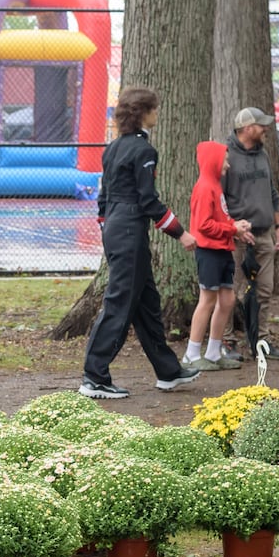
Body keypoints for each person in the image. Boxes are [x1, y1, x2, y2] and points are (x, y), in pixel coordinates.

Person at [79, 87, 202, 399]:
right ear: (144, 113)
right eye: (154, 109)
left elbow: (103, 199)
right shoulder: (144, 151)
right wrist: (181, 232)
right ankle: (94, 376)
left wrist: (110, 229)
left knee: (146, 303)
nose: (157, 114)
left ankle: (168, 371)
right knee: (120, 302)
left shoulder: (113, 148)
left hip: (116, 229)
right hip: (131, 231)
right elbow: (148, 201)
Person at [221, 107, 279, 361]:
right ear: (247, 128)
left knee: (265, 289)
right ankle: (226, 340)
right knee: (230, 290)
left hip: (264, 233)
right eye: (261, 125)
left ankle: (261, 340)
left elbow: (272, 193)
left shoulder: (262, 155)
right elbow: (220, 199)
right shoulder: (226, 155)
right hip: (236, 238)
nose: (265, 129)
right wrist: (233, 227)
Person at [182, 141, 251, 371]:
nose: (228, 165)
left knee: (227, 300)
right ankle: (192, 353)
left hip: (222, 250)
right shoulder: (204, 188)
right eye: (225, 159)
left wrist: (236, 227)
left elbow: (220, 219)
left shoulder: (215, 186)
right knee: (208, 300)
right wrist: (232, 230)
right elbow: (203, 225)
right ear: (214, 160)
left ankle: (212, 352)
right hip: (209, 251)